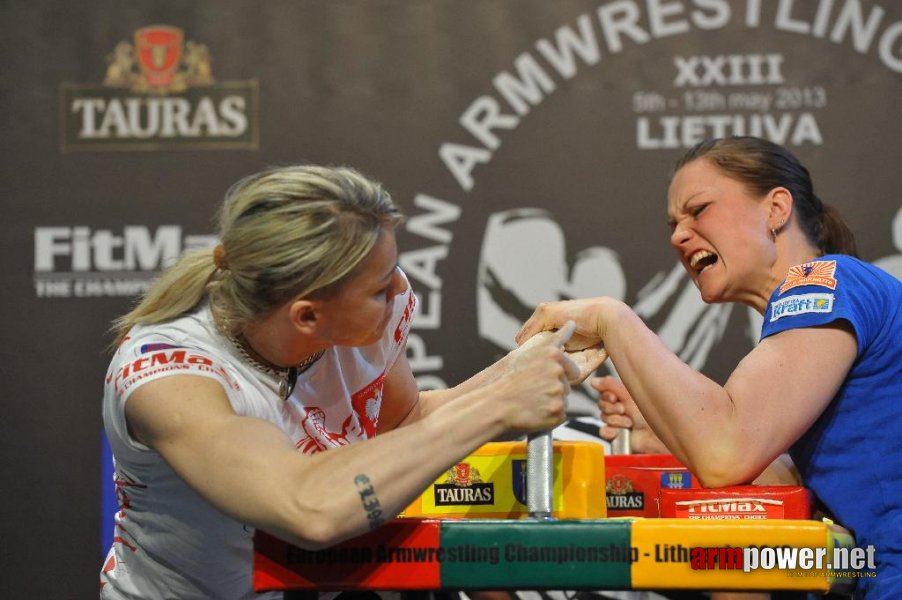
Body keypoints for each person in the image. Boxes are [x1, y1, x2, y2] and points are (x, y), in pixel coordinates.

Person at [99, 164, 594, 599]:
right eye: (380, 289)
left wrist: (513, 372)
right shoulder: (170, 375)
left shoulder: (365, 324)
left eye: (394, 270)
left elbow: (401, 428)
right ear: (308, 317)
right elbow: (307, 509)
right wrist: (497, 406)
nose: (400, 289)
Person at [516, 137, 901, 599]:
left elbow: (726, 453)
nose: (678, 235)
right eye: (674, 224)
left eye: (698, 210)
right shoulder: (825, 305)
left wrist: (611, 319)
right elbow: (790, 478)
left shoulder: (825, 282)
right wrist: (656, 433)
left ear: (776, 209)